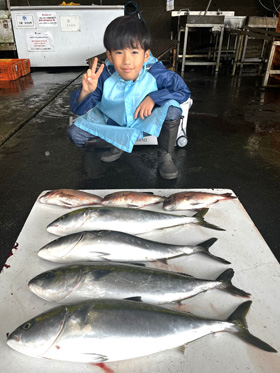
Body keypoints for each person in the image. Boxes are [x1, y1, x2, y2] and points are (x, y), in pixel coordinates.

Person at [68, 15, 191, 179]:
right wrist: (86, 91)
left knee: (172, 109)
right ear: (110, 56)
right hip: (112, 124)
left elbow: (183, 91)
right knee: (75, 133)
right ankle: (114, 144)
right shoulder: (104, 75)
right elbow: (78, 109)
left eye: (134, 52)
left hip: (142, 121)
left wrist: (154, 97)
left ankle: (165, 156)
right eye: (119, 52)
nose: (127, 61)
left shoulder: (155, 71)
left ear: (146, 55)